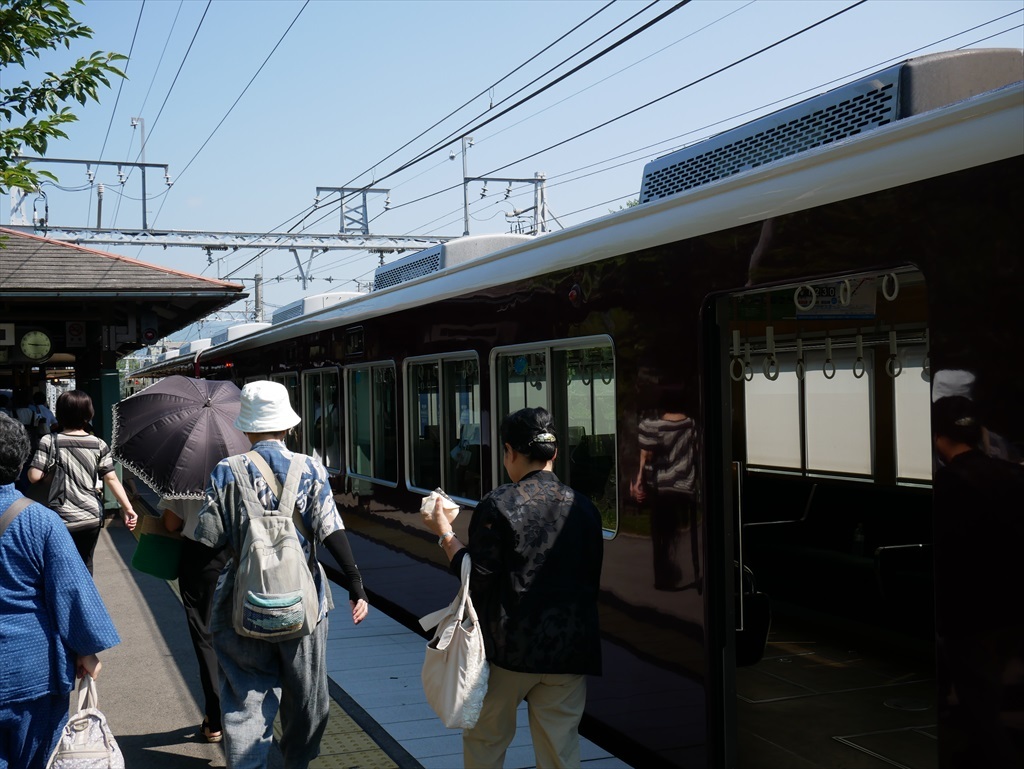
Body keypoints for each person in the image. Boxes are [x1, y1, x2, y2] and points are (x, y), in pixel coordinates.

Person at [194, 380, 369, 769]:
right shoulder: (310, 468)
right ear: (288, 425)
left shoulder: (226, 471)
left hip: (241, 602)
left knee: (244, 699)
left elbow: (207, 540)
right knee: (308, 697)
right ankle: (296, 762)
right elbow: (331, 529)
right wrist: (356, 585)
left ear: (247, 427)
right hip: (304, 605)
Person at [422, 406, 603, 769]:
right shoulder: (585, 508)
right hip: (569, 650)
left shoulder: (499, 503)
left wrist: (444, 533)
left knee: (486, 744)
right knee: (560, 753)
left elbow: (479, 579)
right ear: (553, 453)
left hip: (507, 650)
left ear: (511, 451)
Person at [0, 412, 121, 769]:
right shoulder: (38, 520)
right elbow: (70, 590)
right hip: (32, 670)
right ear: (20, 461)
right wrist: (85, 649)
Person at [931, 395, 1024, 768]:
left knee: (979, 706)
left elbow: (950, 552)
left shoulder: (949, 484)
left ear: (938, 436)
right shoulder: (1009, 474)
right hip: (1011, 605)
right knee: (989, 695)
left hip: (970, 612)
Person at [26, 390, 138, 573]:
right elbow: (111, 478)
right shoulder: (98, 444)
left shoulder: (50, 441)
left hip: (60, 518)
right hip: (90, 517)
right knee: (85, 565)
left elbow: (34, 476)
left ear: (60, 413)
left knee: (58, 567)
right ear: (89, 413)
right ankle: (85, 599)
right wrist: (128, 508)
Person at [160, 496, 228, 743]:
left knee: (205, 638)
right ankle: (243, 712)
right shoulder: (242, 467)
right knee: (239, 634)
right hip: (237, 557)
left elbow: (169, 523)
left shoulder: (185, 472)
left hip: (198, 561)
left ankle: (215, 720)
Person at [629, 384, 700, 592]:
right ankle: (692, 571)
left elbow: (645, 456)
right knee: (684, 534)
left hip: (662, 489)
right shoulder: (691, 425)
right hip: (686, 489)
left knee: (661, 534)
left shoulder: (651, 427)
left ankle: (663, 577)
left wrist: (639, 482)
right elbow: (696, 455)